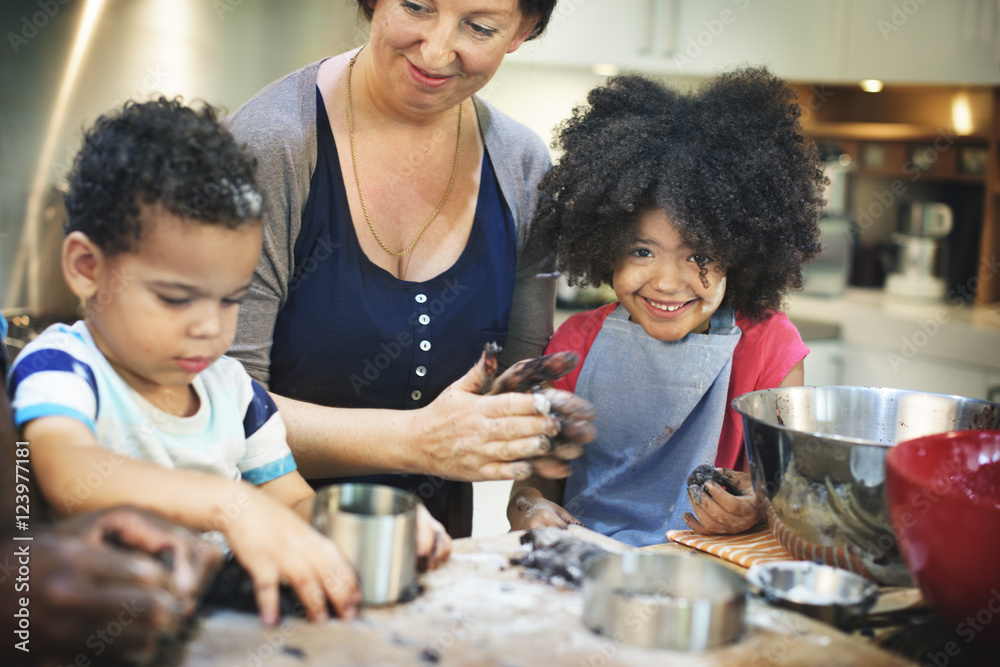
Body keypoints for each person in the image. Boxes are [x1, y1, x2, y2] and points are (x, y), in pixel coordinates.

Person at [6, 97, 450, 627]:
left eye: (230, 300)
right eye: (175, 298)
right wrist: (229, 504)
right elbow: (69, 472)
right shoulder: (64, 367)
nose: (209, 327)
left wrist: (368, 526)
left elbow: (287, 500)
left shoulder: (233, 390)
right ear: (86, 268)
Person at [223, 0, 578, 537]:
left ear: (522, 32)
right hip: (268, 555)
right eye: (416, 6)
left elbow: (514, 391)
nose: (436, 51)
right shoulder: (272, 147)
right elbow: (219, 406)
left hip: (434, 566)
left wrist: (532, 479)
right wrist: (418, 440)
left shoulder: (522, 169)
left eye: (479, 28)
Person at [507, 69, 826, 546]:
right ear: (604, 244)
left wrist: (759, 504)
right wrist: (527, 506)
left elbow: (792, 494)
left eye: (700, 255)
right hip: (588, 566)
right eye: (642, 251)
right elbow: (533, 486)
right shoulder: (576, 344)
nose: (667, 283)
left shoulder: (771, 350)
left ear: (742, 256)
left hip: (706, 579)